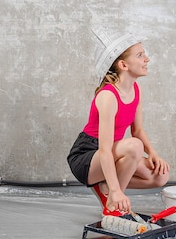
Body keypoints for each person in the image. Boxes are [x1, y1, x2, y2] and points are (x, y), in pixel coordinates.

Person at [67, 29, 170, 215]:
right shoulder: (108, 96)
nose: (147, 59)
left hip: (113, 151)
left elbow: (137, 130)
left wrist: (153, 153)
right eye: (140, 55)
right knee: (134, 146)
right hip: (88, 156)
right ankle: (112, 203)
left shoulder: (136, 90)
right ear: (123, 64)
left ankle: (105, 185)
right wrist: (116, 191)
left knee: (160, 176)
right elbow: (105, 150)